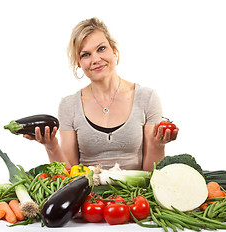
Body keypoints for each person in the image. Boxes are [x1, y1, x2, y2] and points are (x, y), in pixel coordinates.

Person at [24, 17, 178, 171]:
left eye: (101, 49)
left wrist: (158, 145)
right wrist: (52, 146)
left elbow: (151, 176)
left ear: (114, 50)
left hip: (135, 194)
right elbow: (69, 177)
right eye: (85, 55)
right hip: (88, 195)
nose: (96, 59)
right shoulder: (69, 105)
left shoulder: (147, 98)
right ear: (78, 63)